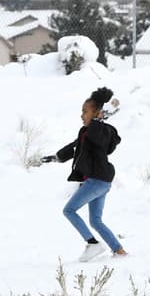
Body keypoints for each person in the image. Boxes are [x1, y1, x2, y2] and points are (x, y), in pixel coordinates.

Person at [42, 87, 127, 261]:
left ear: (96, 113)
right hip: (99, 181)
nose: (81, 115)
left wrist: (98, 119)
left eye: (85, 112)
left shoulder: (101, 131)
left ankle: (92, 244)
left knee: (69, 210)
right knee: (95, 221)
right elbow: (75, 147)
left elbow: (100, 138)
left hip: (97, 180)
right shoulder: (87, 132)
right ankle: (119, 251)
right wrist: (57, 157)